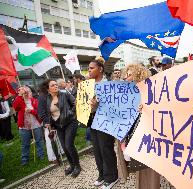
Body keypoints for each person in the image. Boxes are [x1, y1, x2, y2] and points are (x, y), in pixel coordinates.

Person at [121, 63, 160, 189]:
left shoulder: (149, 92)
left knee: (149, 172)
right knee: (139, 171)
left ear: (138, 75)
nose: (125, 77)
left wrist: (145, 109)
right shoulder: (128, 94)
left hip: (148, 139)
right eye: (125, 74)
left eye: (129, 74)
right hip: (134, 138)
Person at [38, 80, 81, 178]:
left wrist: (70, 113)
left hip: (70, 122)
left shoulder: (64, 94)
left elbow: (75, 103)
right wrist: (49, 123)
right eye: (52, 85)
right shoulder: (47, 99)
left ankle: (77, 166)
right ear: (48, 88)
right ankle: (72, 165)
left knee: (69, 145)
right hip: (58, 125)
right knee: (64, 147)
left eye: (56, 84)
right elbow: (46, 112)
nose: (55, 86)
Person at [88, 57, 118, 189]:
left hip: (106, 121)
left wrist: (99, 104)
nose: (88, 70)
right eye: (88, 68)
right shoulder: (87, 85)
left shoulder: (109, 85)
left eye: (91, 68)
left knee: (106, 148)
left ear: (100, 69)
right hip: (92, 120)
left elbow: (114, 105)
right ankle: (102, 174)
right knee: (97, 149)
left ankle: (111, 177)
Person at [12, 86, 44, 165]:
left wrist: (31, 111)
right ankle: (24, 160)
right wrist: (19, 96)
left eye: (27, 92)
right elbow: (15, 107)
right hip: (24, 126)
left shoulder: (34, 101)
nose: (25, 94)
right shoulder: (19, 100)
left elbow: (39, 112)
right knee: (25, 144)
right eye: (24, 92)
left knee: (39, 141)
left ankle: (41, 156)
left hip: (35, 125)